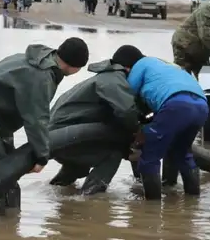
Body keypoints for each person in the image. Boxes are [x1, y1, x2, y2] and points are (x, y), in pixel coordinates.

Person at [0, 38, 90, 216]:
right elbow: (36, 119)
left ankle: (7, 223)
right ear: (75, 66)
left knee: (7, 176)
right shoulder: (41, 76)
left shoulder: (38, 61)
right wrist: (42, 156)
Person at [48, 46, 141, 194]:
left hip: (59, 134)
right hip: (63, 135)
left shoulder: (104, 77)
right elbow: (128, 113)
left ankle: (55, 190)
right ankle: (91, 198)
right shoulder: (113, 79)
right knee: (113, 154)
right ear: (130, 68)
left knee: (79, 165)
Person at [125, 51, 209, 199]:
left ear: (128, 66)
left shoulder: (141, 64)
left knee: (150, 156)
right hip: (201, 105)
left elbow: (128, 94)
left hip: (176, 104)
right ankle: (193, 201)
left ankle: (152, 208)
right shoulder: (168, 66)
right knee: (182, 153)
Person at [171, 0, 210, 77]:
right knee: (183, 76)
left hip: (201, 51)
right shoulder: (206, 10)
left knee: (204, 77)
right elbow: (205, 35)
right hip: (184, 45)